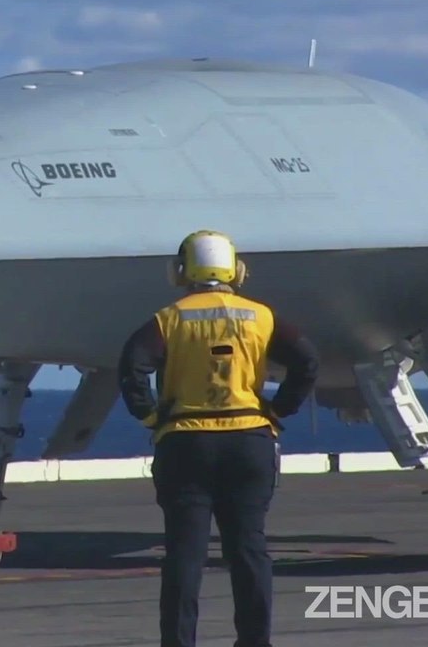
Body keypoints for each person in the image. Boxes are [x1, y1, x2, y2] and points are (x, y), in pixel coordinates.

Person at [116, 230, 319, 647]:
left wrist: (151, 415)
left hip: (186, 443)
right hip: (249, 441)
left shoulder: (170, 318)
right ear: (236, 270)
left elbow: (132, 365)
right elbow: (307, 362)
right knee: (249, 551)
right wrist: (278, 410)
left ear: (180, 272)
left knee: (184, 558)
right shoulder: (261, 317)